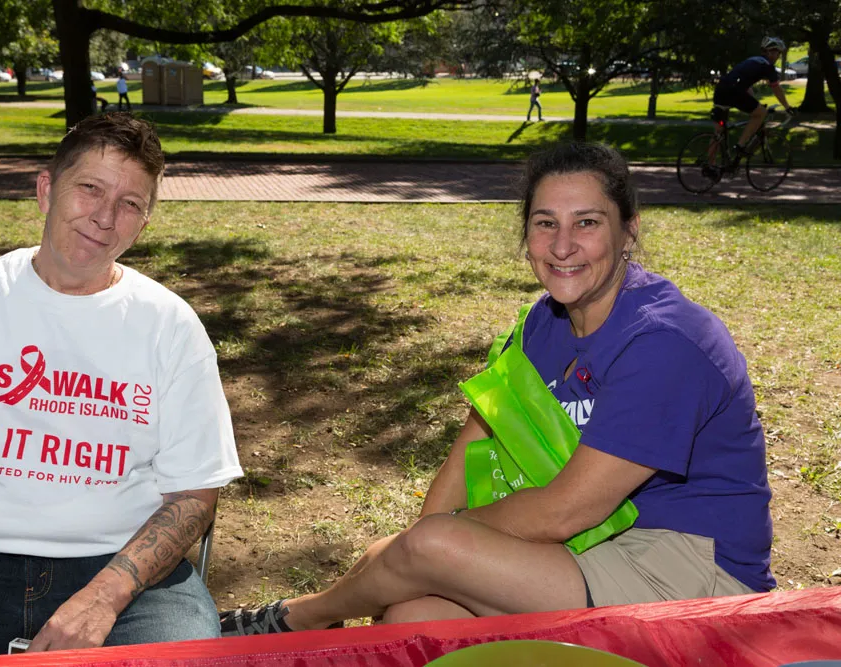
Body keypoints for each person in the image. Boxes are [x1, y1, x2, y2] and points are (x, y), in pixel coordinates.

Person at [220, 142, 774, 636]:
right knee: (411, 615)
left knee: (427, 547)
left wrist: (429, 545)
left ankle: (299, 619)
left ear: (628, 228)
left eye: (587, 222)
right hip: (595, 545)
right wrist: (417, 551)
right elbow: (478, 436)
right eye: (545, 223)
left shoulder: (665, 341)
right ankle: (322, 613)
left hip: (691, 568)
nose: (562, 246)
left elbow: (566, 511)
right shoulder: (544, 324)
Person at [0, 112, 243, 664]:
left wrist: (103, 598)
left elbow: (194, 496)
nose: (105, 217)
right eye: (90, 188)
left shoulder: (170, 327)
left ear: (144, 223)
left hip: (121, 571)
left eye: (130, 203)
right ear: (46, 189)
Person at [710, 36, 796, 175]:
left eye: (778, 53)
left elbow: (746, 85)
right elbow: (776, 88)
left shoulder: (752, 60)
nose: (777, 56)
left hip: (721, 90)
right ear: (769, 52)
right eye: (776, 53)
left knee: (718, 132)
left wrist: (755, 102)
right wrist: (787, 107)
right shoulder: (768, 66)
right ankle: (740, 146)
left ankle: (710, 166)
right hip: (734, 92)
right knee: (760, 114)